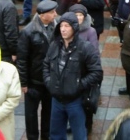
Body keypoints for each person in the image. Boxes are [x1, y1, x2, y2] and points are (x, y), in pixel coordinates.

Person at [42, 11, 103, 140]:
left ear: (74, 28)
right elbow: (46, 65)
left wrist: (79, 85)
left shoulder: (85, 48)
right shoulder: (54, 46)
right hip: (57, 100)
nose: (63, 29)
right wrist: (49, 82)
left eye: (67, 26)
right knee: (55, 135)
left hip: (75, 101)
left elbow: (97, 72)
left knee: (79, 135)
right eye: (61, 26)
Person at [17, 0, 58, 140]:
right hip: (33, 82)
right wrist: (23, 83)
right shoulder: (28, 32)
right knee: (31, 115)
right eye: (52, 12)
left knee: (49, 113)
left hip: (50, 81)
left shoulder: (57, 28)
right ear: (42, 15)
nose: (55, 14)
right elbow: (22, 59)